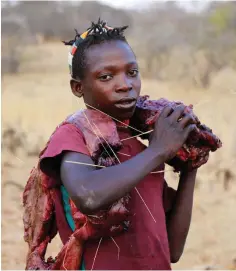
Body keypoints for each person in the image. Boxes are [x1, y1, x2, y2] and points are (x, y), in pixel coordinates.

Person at [39, 19, 198, 270]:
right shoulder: (73, 136)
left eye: (132, 72)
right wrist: (159, 150)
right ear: (78, 87)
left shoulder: (140, 147)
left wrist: (190, 165)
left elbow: (173, 250)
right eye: (106, 76)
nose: (125, 85)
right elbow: (88, 196)